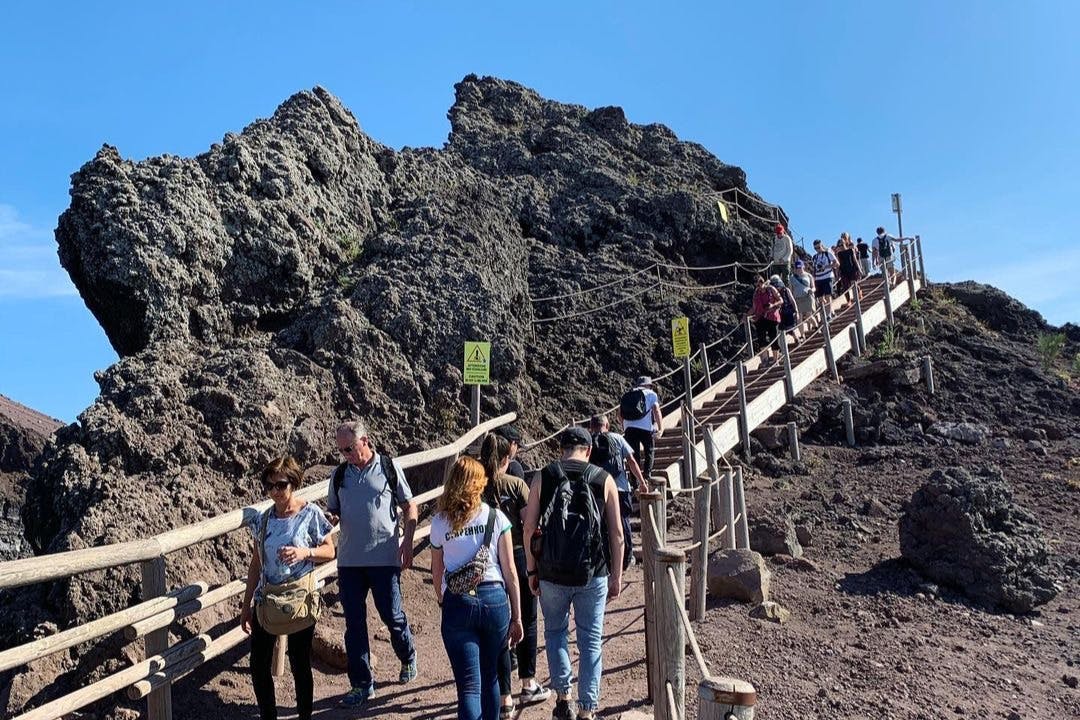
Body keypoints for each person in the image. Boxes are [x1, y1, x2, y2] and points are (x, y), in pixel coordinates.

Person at [523, 427, 624, 720]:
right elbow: (617, 534)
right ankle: (587, 710)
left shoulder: (543, 476)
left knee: (555, 633)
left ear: (561, 448)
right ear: (589, 450)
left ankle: (563, 698)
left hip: (551, 572)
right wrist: (616, 576)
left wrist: (532, 569)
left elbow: (529, 528)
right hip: (593, 573)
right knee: (591, 641)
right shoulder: (603, 479)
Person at [329, 421, 418, 707]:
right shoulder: (339, 475)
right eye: (342, 450)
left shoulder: (388, 468)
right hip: (349, 562)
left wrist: (408, 542)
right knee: (354, 625)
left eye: (350, 448)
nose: (346, 455)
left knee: (392, 616)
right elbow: (334, 511)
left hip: (384, 559)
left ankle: (407, 656)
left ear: (365, 441)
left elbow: (409, 506)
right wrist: (330, 519)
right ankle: (362, 684)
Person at [241, 456, 335, 720]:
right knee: (258, 665)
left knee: (299, 662)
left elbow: (329, 550)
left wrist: (304, 552)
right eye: (269, 486)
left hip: (299, 598)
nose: (274, 492)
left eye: (280, 485)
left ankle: (305, 714)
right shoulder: (264, 519)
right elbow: (256, 563)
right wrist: (246, 605)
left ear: (293, 483)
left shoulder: (311, 514)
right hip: (267, 598)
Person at [431, 456, 524, 720]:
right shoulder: (496, 517)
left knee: (469, 686)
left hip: (458, 602)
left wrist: (442, 598)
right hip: (494, 598)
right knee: (491, 677)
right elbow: (511, 573)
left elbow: (436, 570)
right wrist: (516, 616)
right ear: (479, 484)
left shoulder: (440, 523)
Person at [480, 434, 550, 714]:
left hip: (488, 559)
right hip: (520, 554)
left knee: (498, 623)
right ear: (507, 457)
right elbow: (531, 525)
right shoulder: (517, 485)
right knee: (528, 619)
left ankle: (503, 697)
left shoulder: (477, 485)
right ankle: (528, 683)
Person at [589, 414, 647, 571]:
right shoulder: (617, 438)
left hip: (598, 489)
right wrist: (641, 482)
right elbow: (632, 461)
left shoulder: (587, 442)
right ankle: (626, 559)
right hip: (620, 489)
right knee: (623, 522)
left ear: (591, 426)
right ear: (607, 425)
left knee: (602, 526)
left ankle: (606, 561)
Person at [620, 376, 663, 482]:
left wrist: (624, 426)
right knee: (649, 451)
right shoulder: (651, 394)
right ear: (648, 385)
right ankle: (647, 476)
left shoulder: (627, 395)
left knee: (634, 455)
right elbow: (656, 410)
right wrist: (660, 428)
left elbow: (619, 414)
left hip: (629, 429)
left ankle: (635, 482)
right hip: (645, 428)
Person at [748, 274, 782, 363]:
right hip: (761, 317)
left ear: (762, 282)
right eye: (756, 285)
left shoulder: (771, 289)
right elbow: (754, 307)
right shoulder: (756, 293)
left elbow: (780, 300)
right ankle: (765, 360)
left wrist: (773, 305)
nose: (758, 287)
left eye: (759, 284)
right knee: (761, 339)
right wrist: (746, 315)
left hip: (772, 317)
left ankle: (775, 360)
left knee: (773, 338)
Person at [810, 239, 839, 320]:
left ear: (822, 245)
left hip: (827, 276)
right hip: (818, 278)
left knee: (828, 295)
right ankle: (830, 311)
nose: (817, 250)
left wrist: (825, 267)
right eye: (815, 248)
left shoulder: (828, 253)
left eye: (819, 247)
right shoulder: (815, 257)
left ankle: (828, 314)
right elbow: (814, 269)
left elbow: (836, 264)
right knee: (820, 298)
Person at [789, 260, 816, 329]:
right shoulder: (792, 278)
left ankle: (816, 327)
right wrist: (792, 300)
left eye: (800, 267)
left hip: (807, 297)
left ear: (803, 267)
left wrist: (812, 290)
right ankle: (802, 335)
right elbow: (791, 290)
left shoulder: (808, 275)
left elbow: (813, 287)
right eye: (797, 267)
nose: (799, 269)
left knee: (808, 315)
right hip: (797, 298)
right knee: (799, 318)